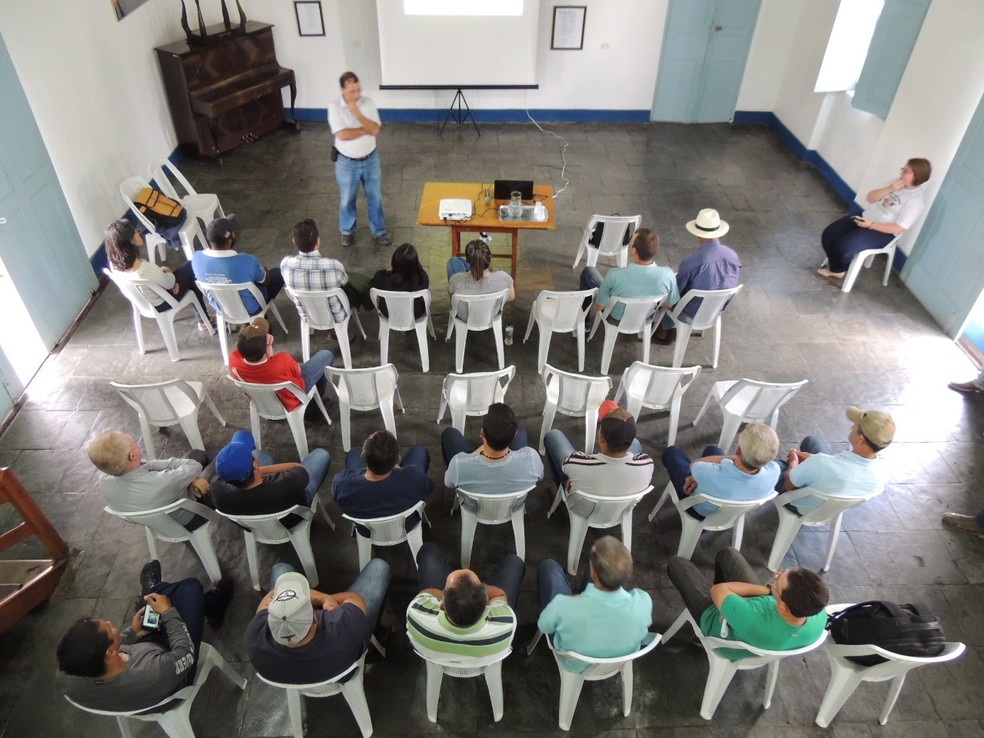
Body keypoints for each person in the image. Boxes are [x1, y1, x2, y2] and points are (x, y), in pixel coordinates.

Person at [56, 560, 232, 712]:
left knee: (162, 603)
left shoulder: (69, 673)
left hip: (145, 657)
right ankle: (159, 591)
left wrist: (132, 633)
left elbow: (105, 656)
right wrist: (168, 612)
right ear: (110, 651)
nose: (111, 623)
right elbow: (186, 653)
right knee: (190, 588)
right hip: (174, 671)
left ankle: (152, 592)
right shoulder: (153, 672)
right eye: (110, 628)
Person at [667, 548, 829, 659]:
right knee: (728, 554)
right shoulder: (819, 615)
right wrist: (770, 592)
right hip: (758, 636)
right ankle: (727, 603)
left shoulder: (751, 616)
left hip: (716, 627)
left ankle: (721, 607)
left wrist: (761, 594)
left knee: (677, 564)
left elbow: (718, 589)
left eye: (778, 581)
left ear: (783, 606)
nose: (776, 574)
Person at [246, 561, 391, 684]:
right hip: (343, 672)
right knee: (379, 566)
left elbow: (264, 605)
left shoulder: (254, 638)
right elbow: (354, 598)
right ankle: (377, 632)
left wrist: (290, 603)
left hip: (292, 677)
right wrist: (323, 598)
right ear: (316, 616)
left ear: (269, 619)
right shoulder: (343, 626)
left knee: (281, 569)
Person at [537, 536, 652, 669]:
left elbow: (544, 626)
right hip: (617, 662)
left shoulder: (563, 606)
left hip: (574, 664)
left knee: (549, 567)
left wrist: (574, 603)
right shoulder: (643, 602)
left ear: (594, 572)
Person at [818, 158, 932, 280]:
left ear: (916, 176)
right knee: (829, 234)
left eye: (906, 171)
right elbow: (870, 198)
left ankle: (836, 269)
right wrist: (889, 189)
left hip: (883, 232)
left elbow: (899, 228)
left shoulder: (916, 201)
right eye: (903, 169)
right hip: (866, 217)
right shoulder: (895, 183)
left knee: (843, 247)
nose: (901, 172)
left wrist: (871, 225)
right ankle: (838, 266)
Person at [406, 543, 522, 658]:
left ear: (442, 604)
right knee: (514, 562)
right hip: (485, 654)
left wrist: (454, 593)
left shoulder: (416, 612)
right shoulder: (505, 622)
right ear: (487, 601)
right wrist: (477, 590)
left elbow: (427, 592)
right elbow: (500, 594)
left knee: (428, 551)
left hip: (435, 652)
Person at [775, 406, 894, 514]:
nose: (852, 426)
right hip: (830, 509)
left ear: (861, 439)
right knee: (813, 442)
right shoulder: (884, 474)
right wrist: (813, 460)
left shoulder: (820, 463)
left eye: (856, 424)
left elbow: (788, 485)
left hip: (798, 506)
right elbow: (831, 465)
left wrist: (793, 464)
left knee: (775, 467)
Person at [543, 401, 653, 515]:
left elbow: (566, 466)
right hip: (619, 510)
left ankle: (559, 490)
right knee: (637, 444)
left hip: (582, 508)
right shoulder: (648, 464)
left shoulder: (577, 463)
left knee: (553, 436)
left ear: (601, 438)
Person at [88, 430, 213, 529]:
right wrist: (190, 479)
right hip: (192, 519)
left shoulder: (103, 481)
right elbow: (194, 465)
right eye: (133, 441)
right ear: (133, 456)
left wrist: (189, 478)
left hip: (160, 525)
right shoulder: (165, 481)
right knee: (199, 457)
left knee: (192, 473)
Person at [654, 208, 741, 344]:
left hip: (691, 312)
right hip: (716, 309)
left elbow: (676, 291)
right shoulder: (733, 256)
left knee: (667, 295)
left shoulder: (692, 262)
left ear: (698, 235)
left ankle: (665, 328)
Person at [661, 423, 780, 519]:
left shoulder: (708, 472)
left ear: (738, 450)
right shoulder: (775, 471)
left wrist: (732, 458)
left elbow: (694, 465)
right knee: (713, 450)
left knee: (672, 452)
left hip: (697, 510)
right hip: (731, 515)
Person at [105, 219, 210, 327]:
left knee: (186, 276)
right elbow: (169, 283)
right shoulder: (143, 269)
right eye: (135, 232)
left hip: (144, 303)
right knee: (191, 267)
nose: (139, 233)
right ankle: (204, 320)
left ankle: (203, 320)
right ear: (130, 241)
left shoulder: (114, 266)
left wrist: (163, 275)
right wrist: (169, 274)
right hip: (162, 302)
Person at [210, 430, 331, 524]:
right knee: (321, 455)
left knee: (259, 454)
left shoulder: (216, 490)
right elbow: (298, 467)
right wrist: (260, 470)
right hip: (292, 520)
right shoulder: (288, 484)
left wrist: (255, 469)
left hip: (254, 525)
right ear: (255, 464)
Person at [442, 402, 543, 510]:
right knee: (521, 428)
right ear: (514, 435)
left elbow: (448, 483)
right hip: (513, 506)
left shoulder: (459, 464)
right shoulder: (532, 458)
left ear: (482, 434)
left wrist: (475, 454)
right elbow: (540, 477)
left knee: (449, 434)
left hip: (474, 508)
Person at [328, 71, 389, 247]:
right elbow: (342, 134)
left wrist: (356, 112)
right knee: (347, 198)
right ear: (342, 91)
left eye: (358, 89)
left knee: (375, 197)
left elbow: (376, 130)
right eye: (352, 91)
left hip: (371, 159)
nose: (357, 94)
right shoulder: (334, 107)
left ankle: (379, 231)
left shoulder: (368, 103)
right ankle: (347, 231)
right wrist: (365, 128)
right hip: (346, 163)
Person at [331, 429, 434, 533]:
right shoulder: (413, 477)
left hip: (367, 530)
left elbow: (336, 497)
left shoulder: (342, 484)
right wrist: (400, 470)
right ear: (397, 459)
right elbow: (428, 488)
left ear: (363, 456)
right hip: (406, 525)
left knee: (353, 453)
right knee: (419, 450)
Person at [227, 317, 334, 415]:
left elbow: (243, 352)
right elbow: (298, 374)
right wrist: (270, 354)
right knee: (326, 355)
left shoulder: (233, 360)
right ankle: (312, 407)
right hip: (291, 399)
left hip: (262, 402)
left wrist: (262, 348)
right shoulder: (282, 360)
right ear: (267, 346)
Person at [191, 215, 284, 315]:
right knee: (277, 273)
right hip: (250, 310)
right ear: (229, 241)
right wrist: (264, 270)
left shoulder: (196, 258)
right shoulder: (247, 260)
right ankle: (260, 321)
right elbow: (265, 281)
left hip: (222, 309)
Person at [280, 217, 372, 318]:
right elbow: (345, 282)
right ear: (318, 241)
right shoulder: (334, 266)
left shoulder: (285, 264)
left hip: (308, 315)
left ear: (294, 241)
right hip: (335, 315)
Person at [579, 228, 679, 320]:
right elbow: (670, 304)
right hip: (645, 318)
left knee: (588, 272)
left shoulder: (615, 275)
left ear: (634, 251)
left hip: (615, 318)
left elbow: (598, 307)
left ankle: (583, 320)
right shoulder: (668, 275)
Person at [447, 239, 515, 320]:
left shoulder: (455, 280)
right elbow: (511, 297)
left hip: (464, 317)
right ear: (490, 257)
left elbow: (452, 297)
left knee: (453, 262)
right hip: (491, 315)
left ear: (468, 261)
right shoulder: (504, 279)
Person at [370, 242, 430, 318]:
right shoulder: (422, 280)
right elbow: (421, 271)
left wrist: (390, 270)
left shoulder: (381, 277)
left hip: (388, 313)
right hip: (414, 315)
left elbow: (375, 286)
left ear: (393, 262)